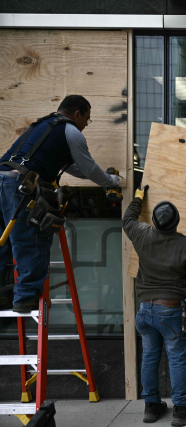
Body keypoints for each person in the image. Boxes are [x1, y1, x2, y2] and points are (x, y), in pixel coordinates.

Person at [0, 95, 119, 312]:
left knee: (2, 241)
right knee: (31, 239)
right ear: (77, 114)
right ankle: (25, 298)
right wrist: (112, 181)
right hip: (21, 187)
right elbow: (89, 168)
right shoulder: (72, 132)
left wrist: (98, 175)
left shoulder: (42, 124)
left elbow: (79, 168)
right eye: (87, 119)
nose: (86, 125)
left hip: (3, 181)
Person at [123, 185, 186, 426]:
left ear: (153, 220)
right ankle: (182, 409)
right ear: (177, 222)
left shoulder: (142, 234)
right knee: (176, 359)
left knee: (150, 358)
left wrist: (138, 199)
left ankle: (151, 406)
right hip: (172, 311)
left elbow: (128, 218)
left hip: (145, 311)